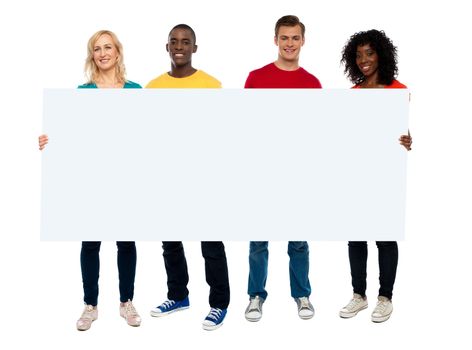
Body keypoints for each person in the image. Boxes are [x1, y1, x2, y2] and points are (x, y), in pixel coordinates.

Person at [39, 30, 142, 331]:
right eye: (97, 49)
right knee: (91, 243)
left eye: (108, 47)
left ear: (118, 52)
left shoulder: (135, 90)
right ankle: (90, 305)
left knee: (126, 241)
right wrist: (51, 141)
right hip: (93, 180)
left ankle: (126, 302)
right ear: (92, 55)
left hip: (125, 179)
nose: (103, 53)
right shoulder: (83, 92)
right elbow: (74, 137)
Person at [146, 24, 230, 331]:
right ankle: (178, 296)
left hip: (203, 178)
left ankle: (219, 303)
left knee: (210, 244)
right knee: (170, 243)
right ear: (166, 47)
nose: (179, 46)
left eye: (186, 41)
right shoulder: (152, 87)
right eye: (174, 41)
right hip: (168, 178)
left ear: (195, 48)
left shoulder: (211, 85)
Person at [243, 15, 321, 322]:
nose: (290, 43)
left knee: (298, 240)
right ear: (276, 40)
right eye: (284, 38)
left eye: (295, 38)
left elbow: (317, 131)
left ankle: (302, 294)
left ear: (303, 41)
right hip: (262, 171)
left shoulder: (312, 84)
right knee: (258, 239)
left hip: (297, 173)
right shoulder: (256, 78)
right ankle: (255, 296)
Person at [338, 29, 412, 323]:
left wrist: (408, 141)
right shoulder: (353, 94)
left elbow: (400, 133)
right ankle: (359, 295)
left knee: (384, 238)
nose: (363, 60)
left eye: (369, 53)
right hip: (357, 174)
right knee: (356, 238)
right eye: (358, 55)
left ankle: (385, 298)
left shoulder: (398, 90)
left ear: (381, 54)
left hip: (385, 176)